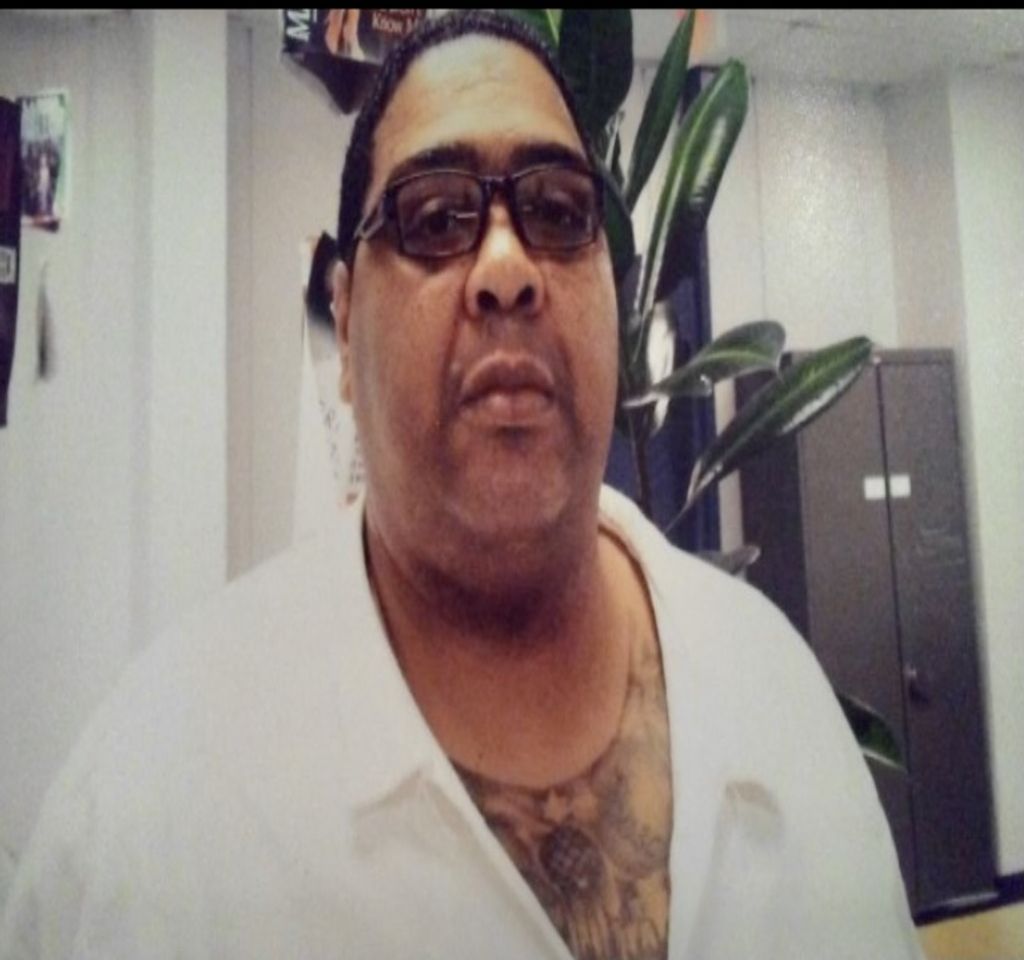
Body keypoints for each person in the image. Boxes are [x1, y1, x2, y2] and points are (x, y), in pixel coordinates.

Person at [0, 12, 923, 960]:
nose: (508, 268)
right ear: (345, 323)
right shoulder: (151, 808)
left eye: (558, 212)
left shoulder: (778, 691)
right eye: (436, 218)